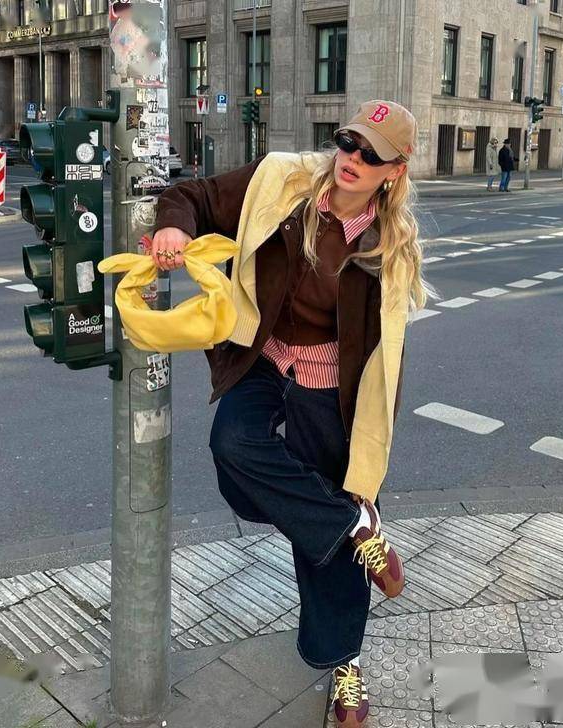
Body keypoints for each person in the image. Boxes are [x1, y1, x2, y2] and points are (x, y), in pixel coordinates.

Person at [151, 100, 434, 728]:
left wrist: (369, 446)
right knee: (235, 448)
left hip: (330, 387)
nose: (352, 159)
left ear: (395, 170)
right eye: (347, 142)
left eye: (371, 154)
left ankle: (344, 662)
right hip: (264, 358)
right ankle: (354, 526)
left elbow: (386, 357)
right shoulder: (283, 181)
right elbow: (193, 195)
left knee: (324, 538)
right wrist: (174, 227)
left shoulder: (390, 246)